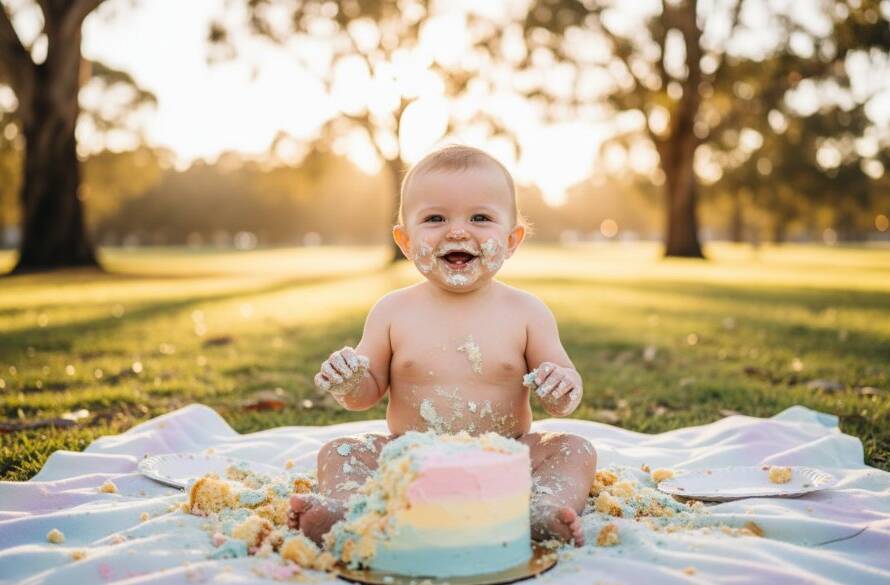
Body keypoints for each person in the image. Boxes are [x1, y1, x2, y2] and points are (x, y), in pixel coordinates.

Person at [289, 144, 596, 546]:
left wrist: (562, 385)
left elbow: (561, 394)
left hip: (507, 460)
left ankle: (542, 509)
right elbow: (366, 394)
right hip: (408, 462)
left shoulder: (527, 312)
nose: (457, 230)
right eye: (435, 218)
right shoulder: (392, 311)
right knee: (340, 450)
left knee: (574, 449)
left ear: (511, 240)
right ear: (404, 239)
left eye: (480, 218)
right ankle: (348, 511)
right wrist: (350, 383)